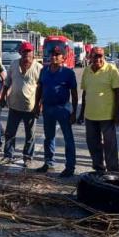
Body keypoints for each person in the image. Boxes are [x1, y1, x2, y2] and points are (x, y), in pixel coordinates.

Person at [33, 46, 78, 177]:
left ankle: (70, 167)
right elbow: (40, 88)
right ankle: (49, 163)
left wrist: (74, 112)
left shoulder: (68, 73)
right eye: (52, 54)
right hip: (47, 108)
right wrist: (37, 104)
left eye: (57, 54)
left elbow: (74, 93)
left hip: (63, 108)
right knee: (49, 137)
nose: (54, 57)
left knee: (68, 138)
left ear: (63, 58)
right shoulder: (44, 70)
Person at [78, 47, 119, 172]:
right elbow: (85, 92)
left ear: (104, 57)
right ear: (90, 57)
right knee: (93, 144)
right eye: (95, 56)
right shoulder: (87, 70)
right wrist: (81, 113)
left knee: (110, 145)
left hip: (107, 116)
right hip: (90, 115)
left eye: (100, 56)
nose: (98, 58)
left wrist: (117, 112)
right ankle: (99, 169)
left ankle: (113, 172)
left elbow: (118, 92)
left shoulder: (111, 69)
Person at [0, 42, 43, 167]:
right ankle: (8, 155)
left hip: (31, 107)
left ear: (33, 53)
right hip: (14, 105)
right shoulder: (13, 64)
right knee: (10, 133)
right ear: (20, 53)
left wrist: (40, 105)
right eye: (24, 51)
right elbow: (7, 82)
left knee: (30, 134)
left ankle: (27, 157)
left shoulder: (38, 67)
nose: (26, 54)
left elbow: (42, 88)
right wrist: (2, 97)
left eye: (28, 51)